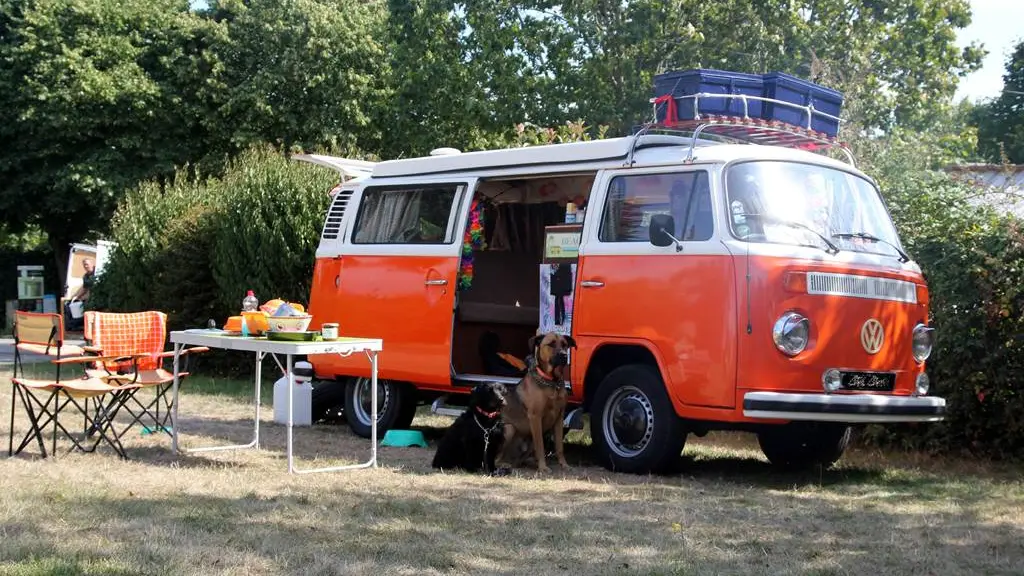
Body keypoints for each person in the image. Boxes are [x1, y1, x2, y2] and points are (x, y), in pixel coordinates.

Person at [65, 258, 94, 331]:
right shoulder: (86, 276)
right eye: (84, 265)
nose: (86, 266)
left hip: (97, 297)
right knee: (69, 306)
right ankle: (74, 326)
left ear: (91, 264)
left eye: (87, 264)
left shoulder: (97, 272)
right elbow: (84, 288)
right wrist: (76, 297)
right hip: (90, 298)